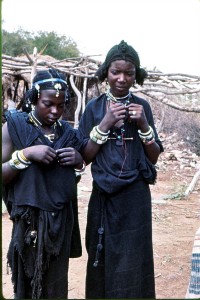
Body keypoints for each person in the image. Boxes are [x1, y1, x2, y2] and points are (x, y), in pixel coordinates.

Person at [77, 40, 164, 299]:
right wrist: (104, 124)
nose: (122, 78)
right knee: (101, 255)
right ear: (106, 72)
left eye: (129, 73)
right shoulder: (94, 108)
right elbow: (84, 157)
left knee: (134, 260)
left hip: (135, 198)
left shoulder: (142, 107)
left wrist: (144, 124)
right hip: (103, 197)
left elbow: (154, 157)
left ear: (137, 76)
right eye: (116, 71)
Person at [2, 68, 88, 299]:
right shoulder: (15, 127)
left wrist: (79, 161)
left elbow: (84, 161)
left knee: (56, 287)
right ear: (34, 99)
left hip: (60, 221)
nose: (55, 111)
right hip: (29, 220)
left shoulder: (68, 133)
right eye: (48, 104)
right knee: (28, 284)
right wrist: (26, 154)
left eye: (61, 106)